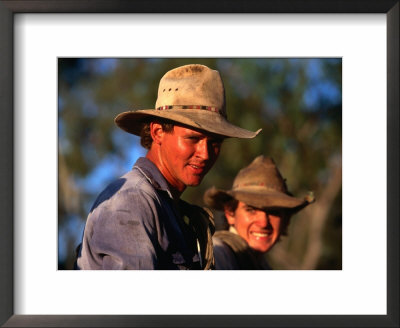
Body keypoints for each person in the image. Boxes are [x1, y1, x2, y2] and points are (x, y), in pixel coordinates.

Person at [75, 64, 261, 270]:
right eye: (193, 138)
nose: (206, 153)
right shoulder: (132, 201)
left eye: (215, 142)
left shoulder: (168, 207)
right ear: (157, 132)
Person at [203, 155, 314, 269]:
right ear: (230, 213)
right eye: (251, 210)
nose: (263, 223)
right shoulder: (216, 254)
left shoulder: (259, 264)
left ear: (286, 220)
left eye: (274, 212)